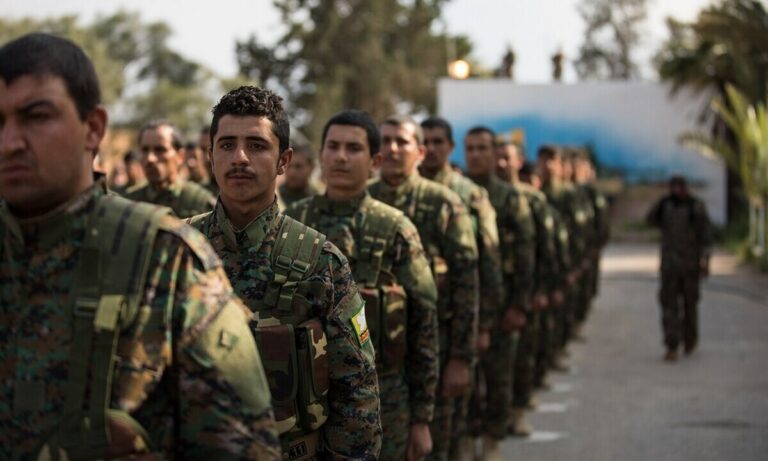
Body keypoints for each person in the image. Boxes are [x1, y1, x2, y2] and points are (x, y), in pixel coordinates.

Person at [0, 32, 280, 459]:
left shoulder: (163, 258)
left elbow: (242, 446)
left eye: (36, 117)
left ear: (93, 128)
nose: (10, 142)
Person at [187, 86, 382, 460]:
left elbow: (356, 390)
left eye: (256, 145)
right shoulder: (177, 251)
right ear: (209, 155)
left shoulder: (320, 262)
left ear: (284, 160)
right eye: (226, 145)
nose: (239, 157)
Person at [286, 110, 438, 461]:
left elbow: (423, 324)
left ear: (375, 162)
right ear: (321, 155)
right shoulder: (293, 223)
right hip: (303, 399)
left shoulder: (395, 228)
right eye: (333, 146)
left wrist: (422, 418)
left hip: (384, 399)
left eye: (353, 148)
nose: (341, 157)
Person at [368, 115, 479, 461]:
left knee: (433, 446)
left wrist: (461, 357)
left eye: (401, 142)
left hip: (435, 347)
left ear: (418, 151)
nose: (392, 149)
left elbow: (466, 283)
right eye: (385, 141)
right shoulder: (363, 199)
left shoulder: (443, 203)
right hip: (374, 353)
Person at [419, 116, 503, 459]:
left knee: (460, 395)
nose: (431, 149)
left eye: (438, 142)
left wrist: (484, 323)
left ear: (450, 147)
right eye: (426, 142)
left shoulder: (469, 195)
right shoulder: (405, 191)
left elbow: (488, 261)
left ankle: (476, 439)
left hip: (458, 315)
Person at [464, 127, 535, 458]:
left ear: (493, 153)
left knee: (498, 376)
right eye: (470, 149)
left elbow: (525, 254)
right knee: (465, 379)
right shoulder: (457, 193)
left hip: (503, 303)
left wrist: (519, 305)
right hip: (464, 303)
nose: (476, 155)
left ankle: (492, 440)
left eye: (482, 148)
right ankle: (468, 438)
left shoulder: (510, 198)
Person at [496, 140, 559, 436]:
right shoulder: (481, 196)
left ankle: (518, 411)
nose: (501, 163)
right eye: (497, 157)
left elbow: (545, 248)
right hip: (492, 293)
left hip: (524, 291)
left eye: (507, 158)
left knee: (522, 355)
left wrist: (542, 289)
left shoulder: (532, 199)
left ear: (519, 161)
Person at [646, 175, 711, 361]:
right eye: (673, 187)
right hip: (669, 267)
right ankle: (672, 344)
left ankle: (690, 340)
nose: (677, 191)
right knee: (669, 305)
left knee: (690, 306)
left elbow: (706, 236)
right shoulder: (665, 205)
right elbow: (650, 220)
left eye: (680, 187)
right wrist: (660, 202)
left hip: (690, 266)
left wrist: (705, 261)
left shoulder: (696, 206)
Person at [126, 121, 215, 218]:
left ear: (180, 156)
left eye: (160, 150)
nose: (150, 159)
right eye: (145, 150)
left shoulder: (199, 202)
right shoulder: (130, 202)